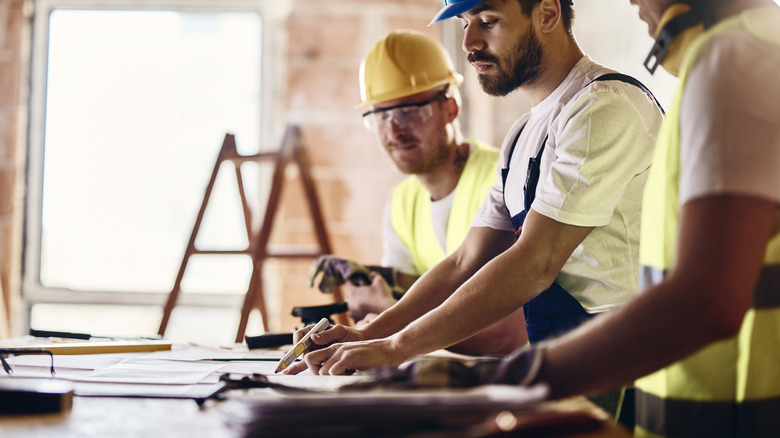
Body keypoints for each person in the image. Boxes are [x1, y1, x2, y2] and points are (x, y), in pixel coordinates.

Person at [290, 0, 663, 395]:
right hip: (566, 355)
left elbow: (535, 262)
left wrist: (395, 348)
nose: (469, 42)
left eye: (488, 21)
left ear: (548, 14)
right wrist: (366, 335)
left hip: (623, 359)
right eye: (467, 23)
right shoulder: (522, 134)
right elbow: (465, 261)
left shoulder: (603, 107)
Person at [486, 0, 780, 436]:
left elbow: (707, 302)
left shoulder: (731, 59)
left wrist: (523, 378)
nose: (633, 1)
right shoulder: (758, 48)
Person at [312, 29, 527, 355]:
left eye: (408, 112)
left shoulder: (503, 180)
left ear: (450, 109)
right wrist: (374, 283)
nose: (393, 131)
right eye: (380, 116)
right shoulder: (402, 202)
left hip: (518, 384)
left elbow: (506, 335)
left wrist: (386, 313)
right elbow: (416, 296)